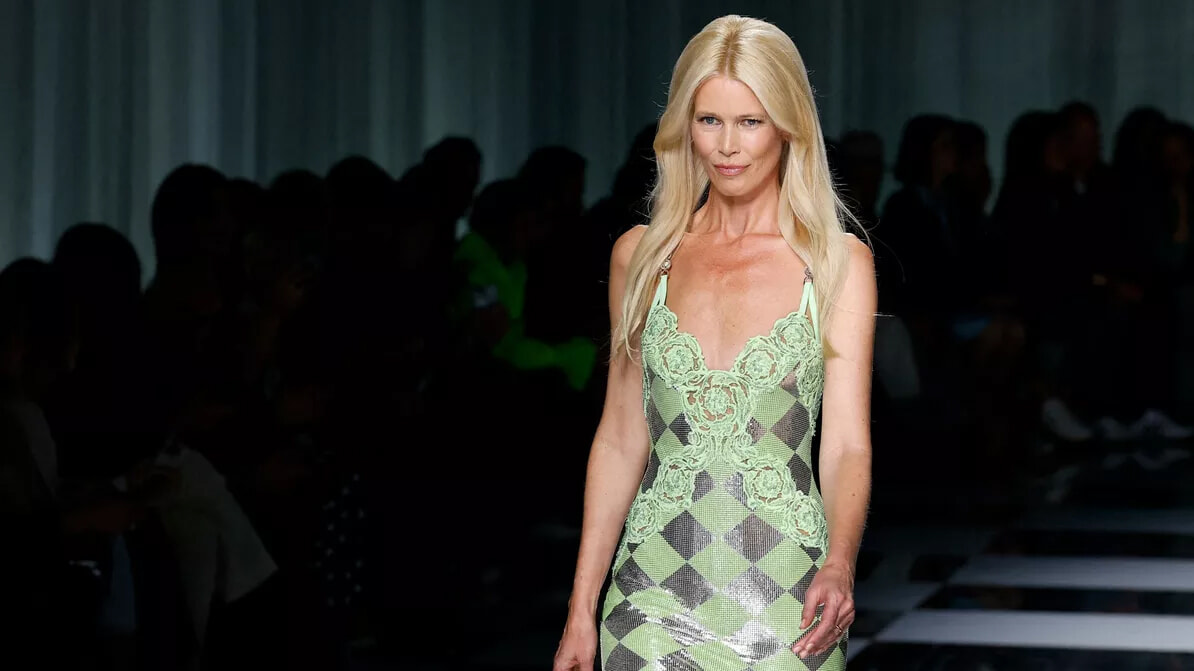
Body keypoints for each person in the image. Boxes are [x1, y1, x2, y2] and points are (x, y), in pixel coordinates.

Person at [554, 15, 875, 671]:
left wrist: (840, 564)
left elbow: (846, 441)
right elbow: (620, 437)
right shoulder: (643, 257)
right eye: (709, 120)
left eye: (750, 121)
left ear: (788, 126)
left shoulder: (835, 263)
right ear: (685, 127)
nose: (728, 146)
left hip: (789, 596)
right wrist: (580, 609)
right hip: (647, 598)